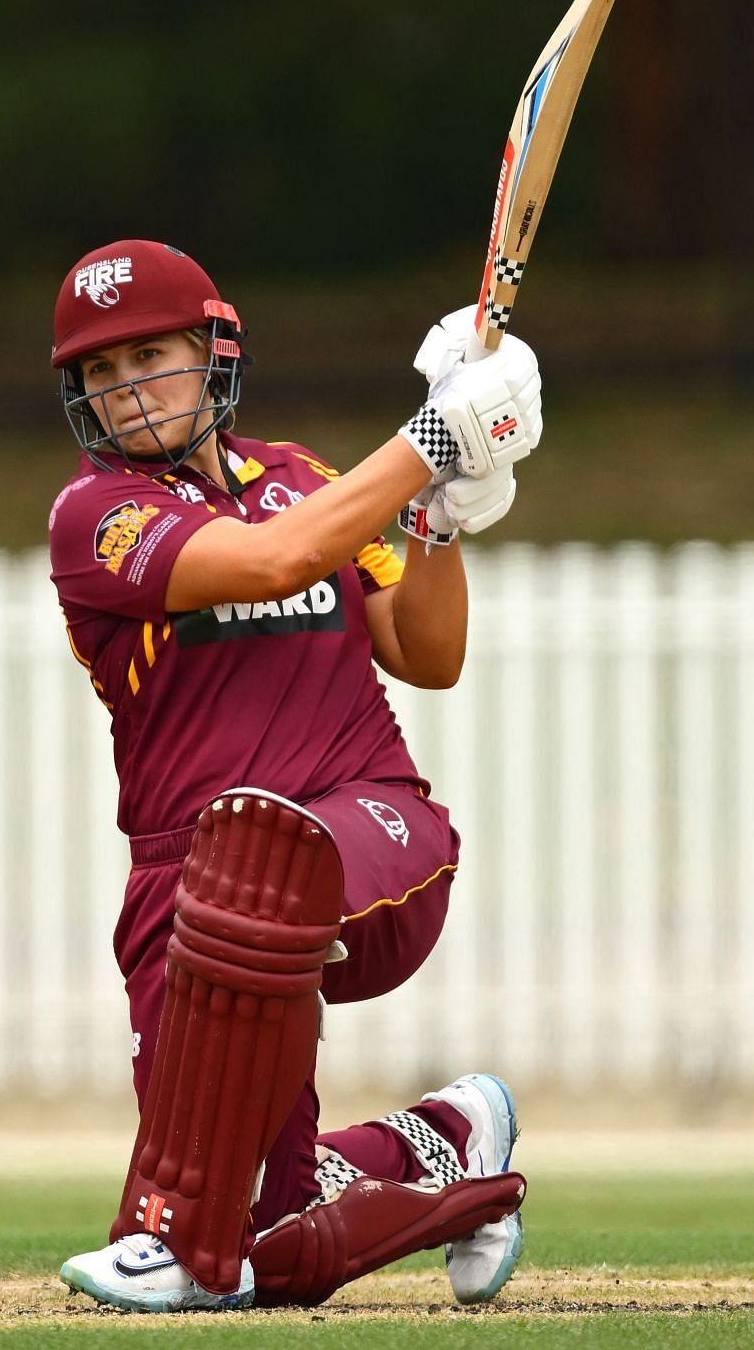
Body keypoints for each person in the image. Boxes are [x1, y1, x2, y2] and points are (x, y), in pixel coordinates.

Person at [45, 240, 544, 1312]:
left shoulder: (303, 480)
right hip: (185, 887)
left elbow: (428, 653)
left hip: (371, 828)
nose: (128, 388)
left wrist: (441, 515)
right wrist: (429, 440)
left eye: (151, 355)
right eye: (101, 370)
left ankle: (176, 1243)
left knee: (263, 852)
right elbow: (274, 562)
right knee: (256, 1243)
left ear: (214, 352)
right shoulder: (97, 518)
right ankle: (453, 1145)